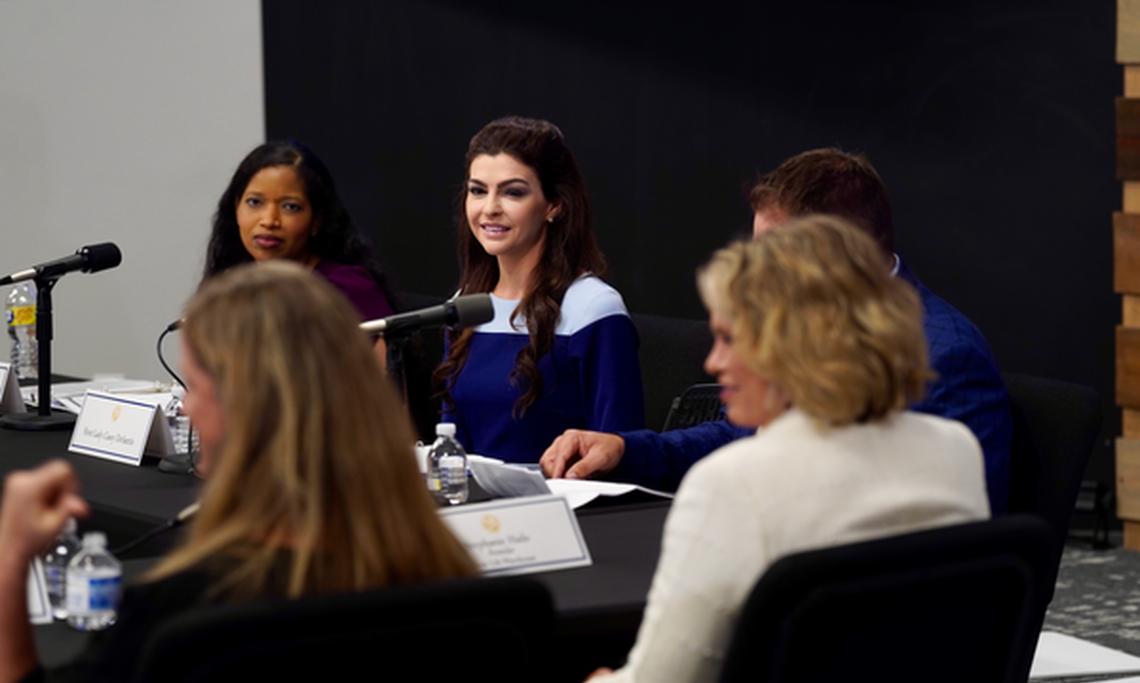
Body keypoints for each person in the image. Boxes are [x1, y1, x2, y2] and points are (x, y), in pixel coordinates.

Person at [530, 216, 989, 683]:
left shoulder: (735, 486)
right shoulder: (954, 451)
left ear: (794, 347)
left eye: (729, 339)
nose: (711, 361)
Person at [0, 262, 477, 683]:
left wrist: (11, 559)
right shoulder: (454, 581)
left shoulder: (185, 616)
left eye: (195, 387)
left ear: (244, 410)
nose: (184, 409)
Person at [541, 148, 1013, 516]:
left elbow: (957, 548)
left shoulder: (946, 359)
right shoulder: (802, 319)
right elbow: (742, 436)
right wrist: (626, 449)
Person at [435, 116, 644, 462]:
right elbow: (451, 448)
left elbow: (619, 448)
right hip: (475, 512)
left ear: (554, 205)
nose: (490, 208)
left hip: (568, 511)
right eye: (477, 191)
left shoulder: (592, 307)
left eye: (513, 192)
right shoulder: (464, 306)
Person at [201, 141, 399, 364]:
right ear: (237, 208)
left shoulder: (345, 290)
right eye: (255, 202)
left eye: (290, 207)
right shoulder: (230, 287)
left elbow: (390, 396)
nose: (269, 220)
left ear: (316, 220)